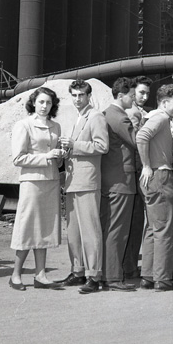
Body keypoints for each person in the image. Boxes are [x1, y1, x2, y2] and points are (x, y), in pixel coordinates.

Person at [54, 80, 109, 294]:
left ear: (89, 96)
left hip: (87, 181)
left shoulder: (96, 116)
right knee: (74, 231)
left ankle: (94, 275)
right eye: (74, 95)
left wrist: (74, 145)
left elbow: (102, 146)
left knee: (90, 230)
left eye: (81, 95)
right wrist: (65, 152)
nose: (77, 99)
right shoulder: (77, 117)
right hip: (72, 180)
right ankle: (78, 271)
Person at [9, 87, 67, 291]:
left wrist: (60, 156)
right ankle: (15, 274)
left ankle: (40, 274)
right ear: (33, 103)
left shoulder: (56, 126)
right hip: (32, 182)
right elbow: (18, 158)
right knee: (27, 227)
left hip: (51, 181)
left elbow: (56, 157)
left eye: (48, 103)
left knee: (45, 228)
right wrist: (46, 157)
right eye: (41, 102)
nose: (44, 106)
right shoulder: (23, 125)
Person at [135, 84, 173, 291]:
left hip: (152, 176)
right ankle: (162, 278)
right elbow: (141, 137)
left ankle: (148, 275)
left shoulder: (153, 117)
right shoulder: (162, 118)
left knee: (152, 228)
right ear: (164, 103)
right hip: (160, 174)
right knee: (164, 228)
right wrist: (147, 165)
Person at [100, 77, 138, 291]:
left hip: (109, 178)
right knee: (118, 229)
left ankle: (107, 273)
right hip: (121, 180)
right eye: (131, 95)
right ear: (121, 96)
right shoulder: (120, 117)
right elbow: (137, 141)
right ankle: (113, 276)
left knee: (109, 227)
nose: (134, 99)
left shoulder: (106, 114)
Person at [122, 75, 153, 279]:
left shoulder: (141, 112)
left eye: (147, 93)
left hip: (136, 169)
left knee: (136, 220)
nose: (144, 97)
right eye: (141, 92)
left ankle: (130, 265)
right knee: (134, 220)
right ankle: (129, 266)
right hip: (135, 169)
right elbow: (136, 141)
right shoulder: (132, 112)